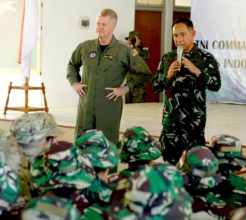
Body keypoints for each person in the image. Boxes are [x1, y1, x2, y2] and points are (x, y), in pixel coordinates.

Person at [67, 9, 152, 144]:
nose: (99, 28)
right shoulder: (86, 47)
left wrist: (125, 89)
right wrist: (74, 83)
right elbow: (72, 65)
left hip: (108, 110)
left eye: (103, 24)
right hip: (85, 109)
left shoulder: (124, 50)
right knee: (82, 149)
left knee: (107, 149)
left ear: (113, 27)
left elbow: (144, 74)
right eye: (98, 23)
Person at [152, 18, 221, 165]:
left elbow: (216, 85)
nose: (179, 39)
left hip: (193, 126)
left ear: (193, 33)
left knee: (194, 168)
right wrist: (168, 75)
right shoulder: (167, 58)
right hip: (171, 126)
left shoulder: (205, 58)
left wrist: (197, 71)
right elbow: (155, 86)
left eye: (183, 35)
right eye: (175, 36)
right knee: (171, 169)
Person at [125, 31, 151, 103]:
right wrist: (129, 46)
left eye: (132, 39)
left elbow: (136, 59)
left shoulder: (144, 50)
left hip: (138, 85)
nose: (130, 40)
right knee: (128, 109)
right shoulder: (128, 49)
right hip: (129, 84)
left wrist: (136, 46)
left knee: (138, 108)